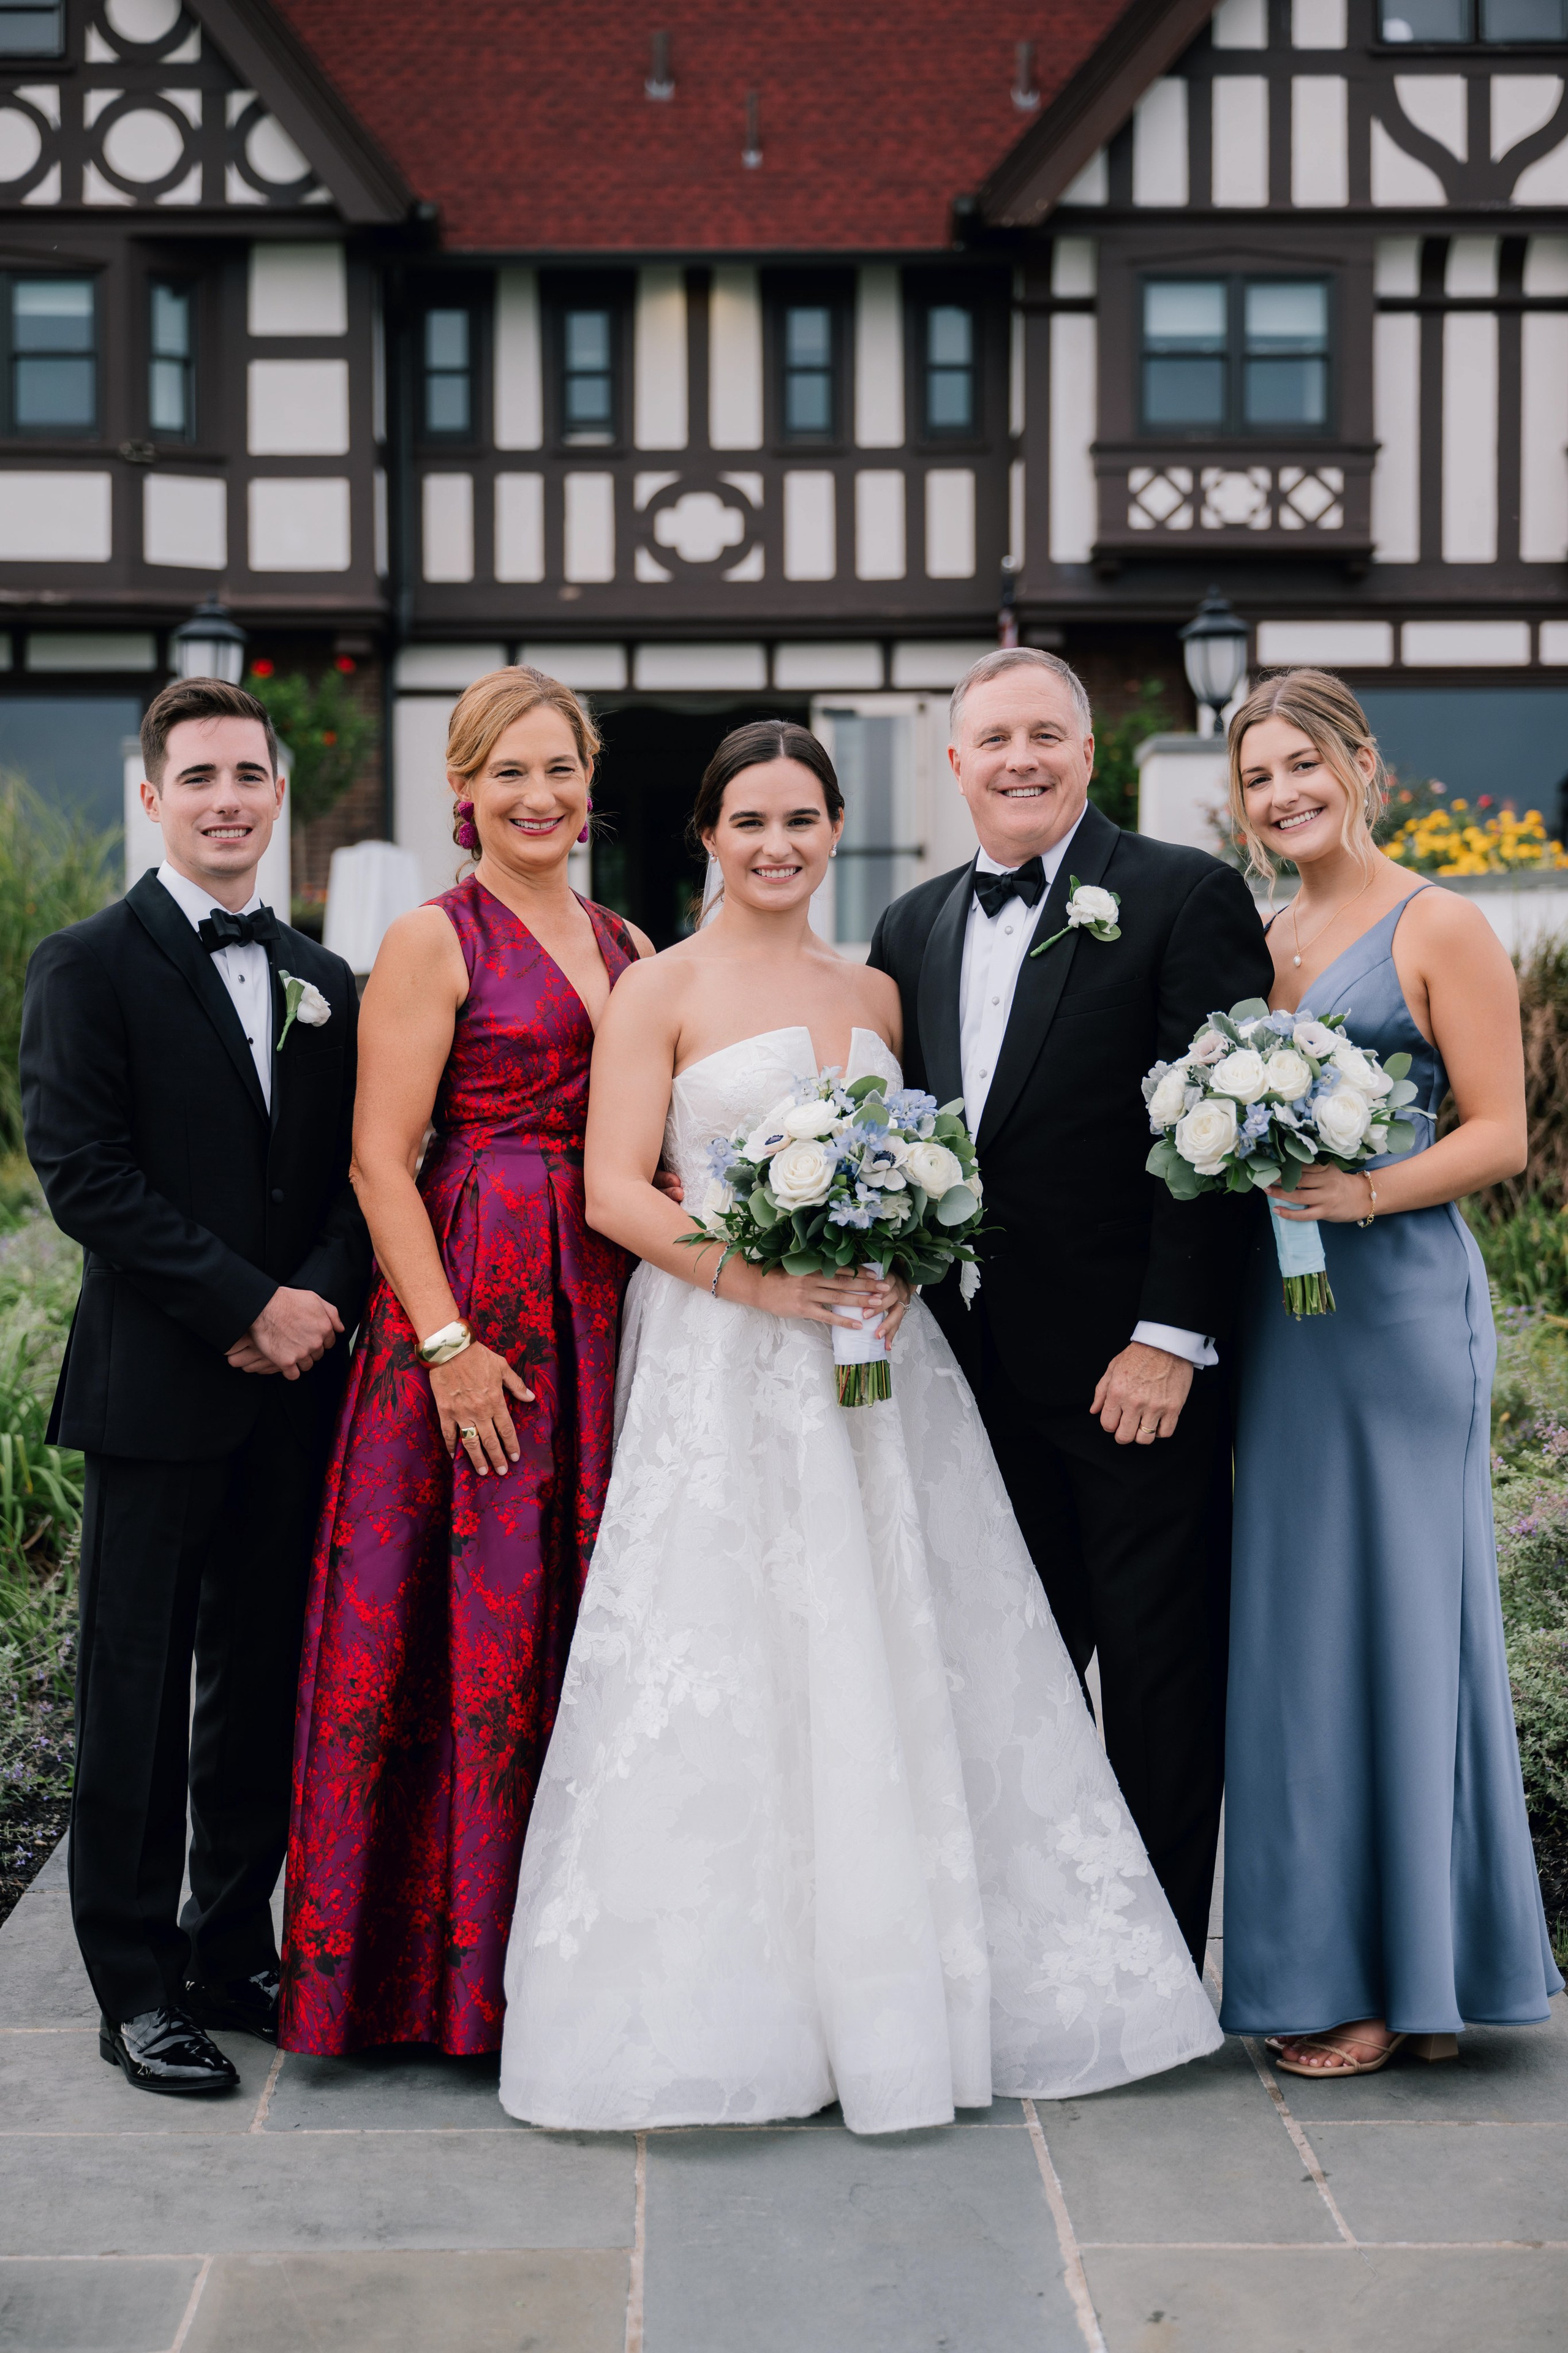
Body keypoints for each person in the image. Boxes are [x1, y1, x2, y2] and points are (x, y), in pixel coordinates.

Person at [498, 719, 1223, 2136]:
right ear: (708, 835)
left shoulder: (881, 985)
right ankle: (747, 2000)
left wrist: (898, 1255)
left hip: (882, 1362)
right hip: (723, 1356)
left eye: (801, 820)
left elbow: (940, 1163)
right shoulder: (656, 986)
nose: (776, 845)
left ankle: (915, 1984)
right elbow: (614, 1192)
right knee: (735, 1646)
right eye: (749, 820)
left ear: (835, 830)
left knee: (895, 1643)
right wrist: (765, 1281)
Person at [867, 648, 1275, 1964]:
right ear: (955, 763)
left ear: (1087, 754)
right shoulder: (911, 925)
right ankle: (1035, 1958)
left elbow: (1218, 1136)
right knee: (1007, 1673)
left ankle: (1153, 1965)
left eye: (1045, 734)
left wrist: (1168, 1338)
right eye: (994, 739)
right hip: (969, 1373)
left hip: (1127, 1371)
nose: (1020, 759)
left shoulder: (1182, 894)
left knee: (1155, 1674)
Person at [281, 668, 652, 2057]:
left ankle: (569, 1961)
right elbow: (380, 1161)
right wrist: (446, 1348)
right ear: (464, 788)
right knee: (460, 1620)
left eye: (559, 769)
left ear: (589, 782)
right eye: (509, 772)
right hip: (472, 1295)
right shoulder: (432, 938)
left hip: (598, 1297)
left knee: (576, 1609)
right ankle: (431, 1983)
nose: (538, 796)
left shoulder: (627, 940)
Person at [20, 676, 368, 2096]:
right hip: (156, 1388)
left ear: (277, 795)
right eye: (201, 777)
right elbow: (84, 1175)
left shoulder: (325, 978)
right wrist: (246, 1303)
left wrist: (314, 1306)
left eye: (248, 775)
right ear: (153, 797)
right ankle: (136, 1985)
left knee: (259, 1685)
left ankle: (233, 1949)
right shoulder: (86, 964)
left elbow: (355, 1175)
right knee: (136, 1690)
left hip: (294, 1392)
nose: (228, 799)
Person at [1219, 668, 1563, 2075]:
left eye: (1302, 764)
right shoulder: (1262, 937)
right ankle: (1325, 1962)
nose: (1282, 793)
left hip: (1399, 1308)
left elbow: (1497, 1133)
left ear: (1361, 763)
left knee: (1403, 1620)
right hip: (1280, 1317)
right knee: (1297, 1634)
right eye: (1256, 778)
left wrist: (1362, 1192)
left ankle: (1409, 1978)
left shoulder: (1438, 923)